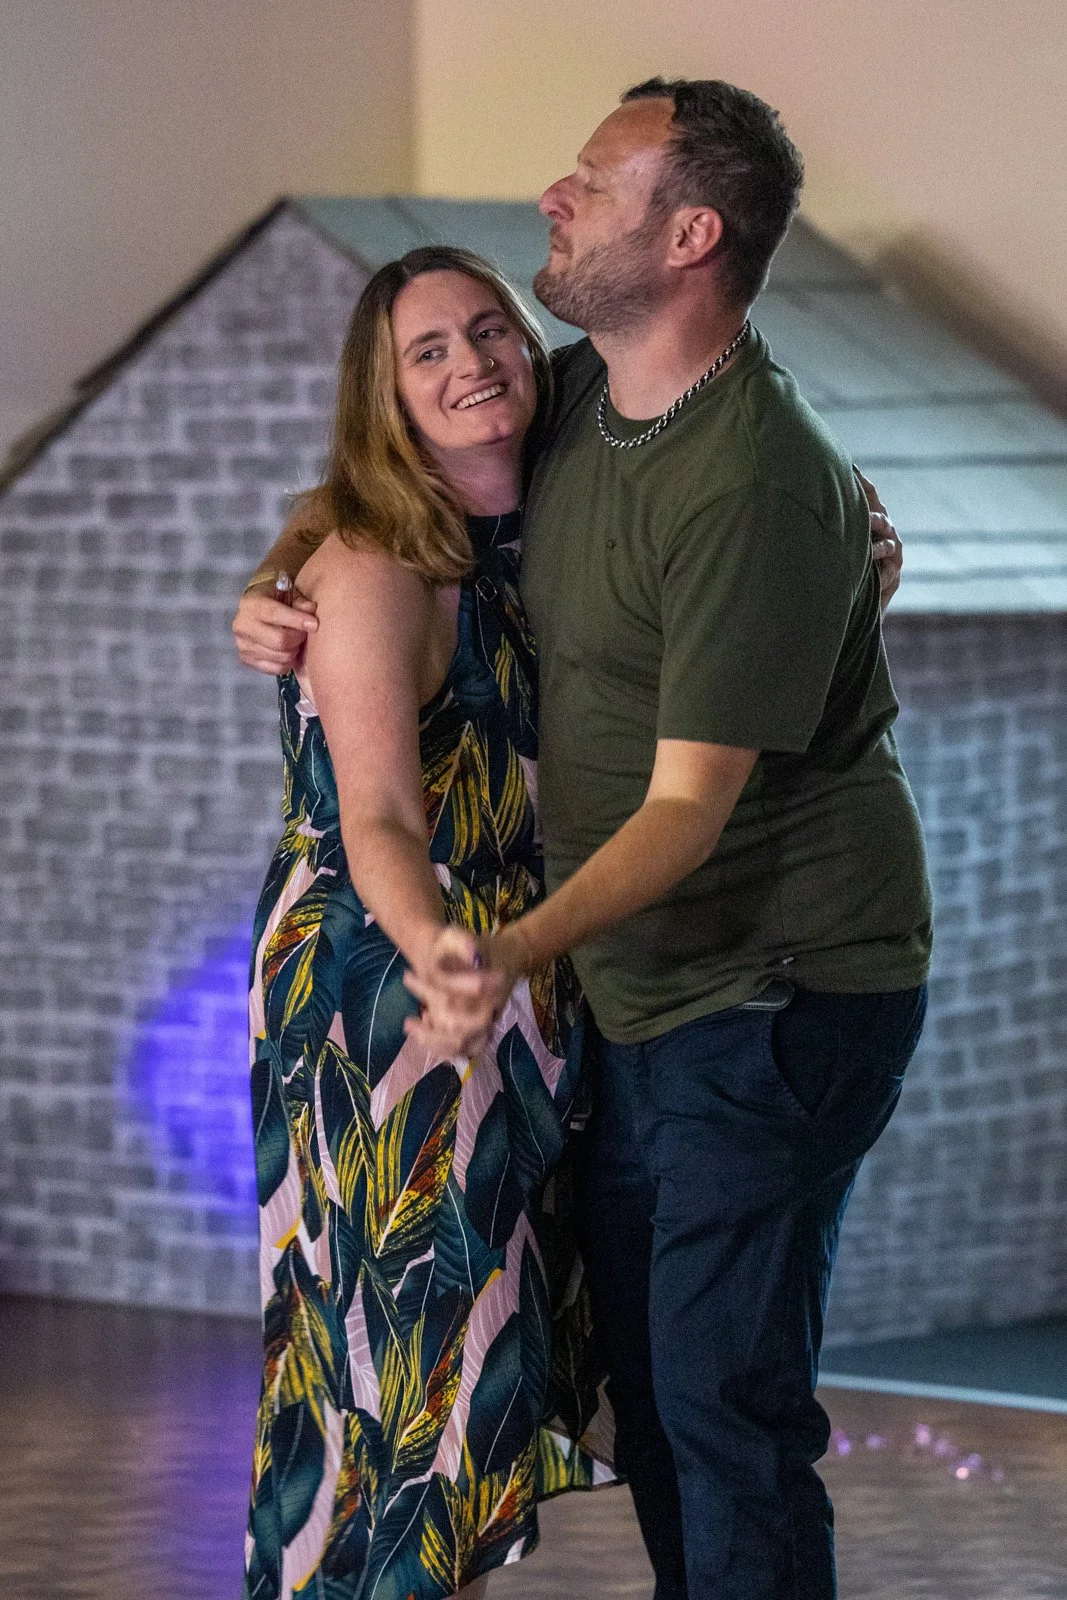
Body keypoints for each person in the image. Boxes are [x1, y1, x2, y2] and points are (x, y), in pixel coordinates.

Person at [233, 80, 930, 1600]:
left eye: (591, 182)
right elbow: (392, 522)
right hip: (570, 991)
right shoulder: (572, 410)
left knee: (714, 1404)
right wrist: (281, 586)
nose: (551, 196)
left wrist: (500, 954)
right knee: (618, 1398)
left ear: (687, 235)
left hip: (761, 988)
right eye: (433, 350)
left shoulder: (741, 471)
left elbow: (689, 799)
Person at [240, 246, 613, 1600]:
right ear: (384, 396)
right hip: (388, 976)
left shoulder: (550, 512)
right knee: (425, 1361)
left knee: (461, 1358)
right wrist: (443, 955)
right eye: (427, 353)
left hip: (509, 956)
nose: (470, 366)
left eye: (486, 331)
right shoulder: (373, 558)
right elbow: (381, 817)